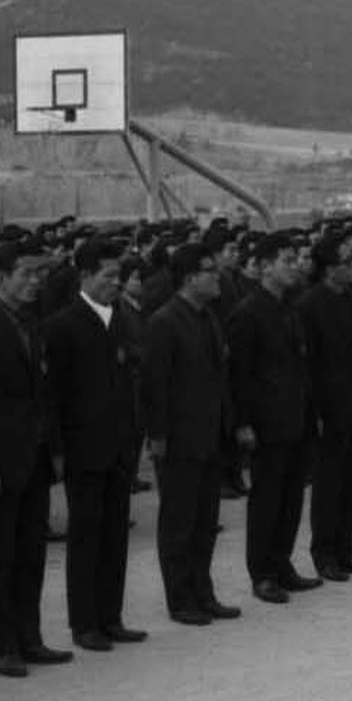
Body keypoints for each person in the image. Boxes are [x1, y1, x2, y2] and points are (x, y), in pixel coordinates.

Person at [0, 243, 72, 678]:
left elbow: (46, 394)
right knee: (0, 557)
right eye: (25, 273)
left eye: (39, 274)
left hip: (35, 457)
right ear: (0, 277)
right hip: (0, 462)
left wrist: (55, 450)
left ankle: (30, 636)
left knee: (31, 553)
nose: (35, 281)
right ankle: (3, 645)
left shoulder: (32, 325)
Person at [42, 237, 146, 651]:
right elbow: (53, 396)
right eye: (107, 276)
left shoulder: (121, 320)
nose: (115, 283)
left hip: (119, 446)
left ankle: (111, 616)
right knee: (86, 537)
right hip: (84, 449)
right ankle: (84, 623)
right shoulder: (62, 325)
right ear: (84, 276)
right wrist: (58, 451)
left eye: (118, 276)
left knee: (115, 534)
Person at [143, 242, 237, 625]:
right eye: (208, 270)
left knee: (204, 520)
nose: (216, 276)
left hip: (210, 434)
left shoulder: (207, 316)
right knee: (179, 523)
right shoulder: (165, 322)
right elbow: (154, 385)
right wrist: (158, 435)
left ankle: (203, 591)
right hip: (180, 438)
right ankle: (180, 599)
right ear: (187, 278)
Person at [228, 234, 323, 600]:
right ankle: (262, 573)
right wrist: (243, 423)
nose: (295, 265)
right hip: (267, 423)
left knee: (290, 499)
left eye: (296, 259)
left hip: (295, 417)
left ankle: (282, 564)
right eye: (287, 260)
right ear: (265, 266)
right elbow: (240, 374)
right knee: (266, 500)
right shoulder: (248, 312)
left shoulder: (289, 307)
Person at [297, 234, 352, 579]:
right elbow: (310, 365)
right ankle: (325, 553)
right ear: (330, 269)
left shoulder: (350, 299)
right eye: (347, 263)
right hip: (330, 408)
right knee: (329, 485)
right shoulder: (310, 305)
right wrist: (316, 412)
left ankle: (348, 548)